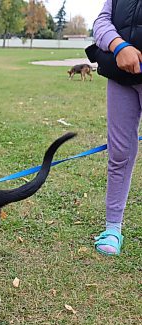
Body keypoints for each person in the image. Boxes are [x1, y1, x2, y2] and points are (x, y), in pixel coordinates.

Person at [91, 0, 141, 256]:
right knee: (119, 153)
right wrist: (119, 45)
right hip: (121, 76)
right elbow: (100, 22)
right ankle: (113, 227)